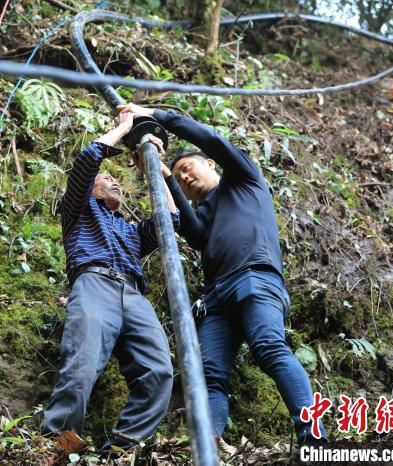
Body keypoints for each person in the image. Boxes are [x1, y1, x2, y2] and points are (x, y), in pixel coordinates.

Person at [118, 103, 326, 446]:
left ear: (209, 164)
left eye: (187, 168)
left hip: (255, 277)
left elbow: (214, 140)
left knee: (270, 347)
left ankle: (312, 434)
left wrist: (157, 116)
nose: (185, 177)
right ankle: (211, 444)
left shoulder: (243, 180)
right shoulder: (205, 215)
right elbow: (194, 232)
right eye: (180, 176)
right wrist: (164, 177)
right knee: (209, 375)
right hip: (216, 297)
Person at [42, 112, 180, 451]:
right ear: (90, 188)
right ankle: (57, 445)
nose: (115, 182)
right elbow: (90, 158)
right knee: (82, 364)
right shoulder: (77, 211)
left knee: (159, 372)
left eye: (117, 180)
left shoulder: (130, 232)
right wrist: (126, 128)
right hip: (94, 284)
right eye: (107, 178)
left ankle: (120, 451)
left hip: (133, 295)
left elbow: (170, 219)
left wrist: (153, 168)